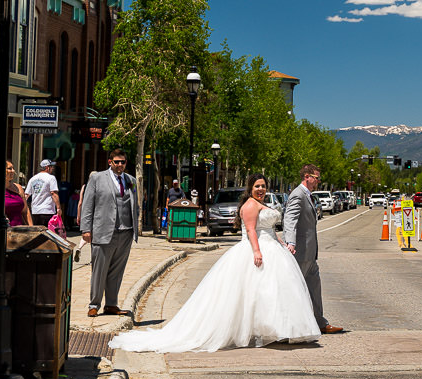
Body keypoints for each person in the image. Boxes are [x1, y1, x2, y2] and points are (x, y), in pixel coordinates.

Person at [109, 173, 319, 353]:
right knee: (254, 292)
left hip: (273, 247)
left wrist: (280, 242)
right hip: (256, 249)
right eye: (257, 186)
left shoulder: (263, 204)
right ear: (251, 188)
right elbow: (251, 230)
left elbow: (270, 230)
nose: (261, 189)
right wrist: (256, 251)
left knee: (271, 292)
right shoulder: (249, 205)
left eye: (263, 186)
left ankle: (277, 330)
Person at [283, 164, 344, 335]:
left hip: (311, 253)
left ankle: (320, 322)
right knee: (295, 289)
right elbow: (290, 219)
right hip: (301, 252)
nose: (318, 181)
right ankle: (288, 325)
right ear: (307, 177)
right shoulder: (298, 194)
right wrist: (290, 242)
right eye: (316, 178)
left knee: (314, 287)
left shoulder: (307, 195)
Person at [80, 149, 138, 317]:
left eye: (123, 162)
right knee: (99, 270)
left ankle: (111, 304)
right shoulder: (97, 178)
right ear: (110, 162)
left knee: (116, 272)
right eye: (117, 161)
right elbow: (88, 205)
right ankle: (94, 304)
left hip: (126, 232)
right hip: (103, 231)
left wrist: (135, 226)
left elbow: (135, 204)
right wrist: (86, 229)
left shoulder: (131, 180)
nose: (120, 165)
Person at [25, 159, 60, 227]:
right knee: (47, 234)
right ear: (47, 167)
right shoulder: (51, 178)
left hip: (35, 211)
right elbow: (54, 193)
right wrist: (58, 208)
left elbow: (26, 195)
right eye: (51, 166)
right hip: (47, 210)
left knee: (38, 234)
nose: (52, 168)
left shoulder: (33, 178)